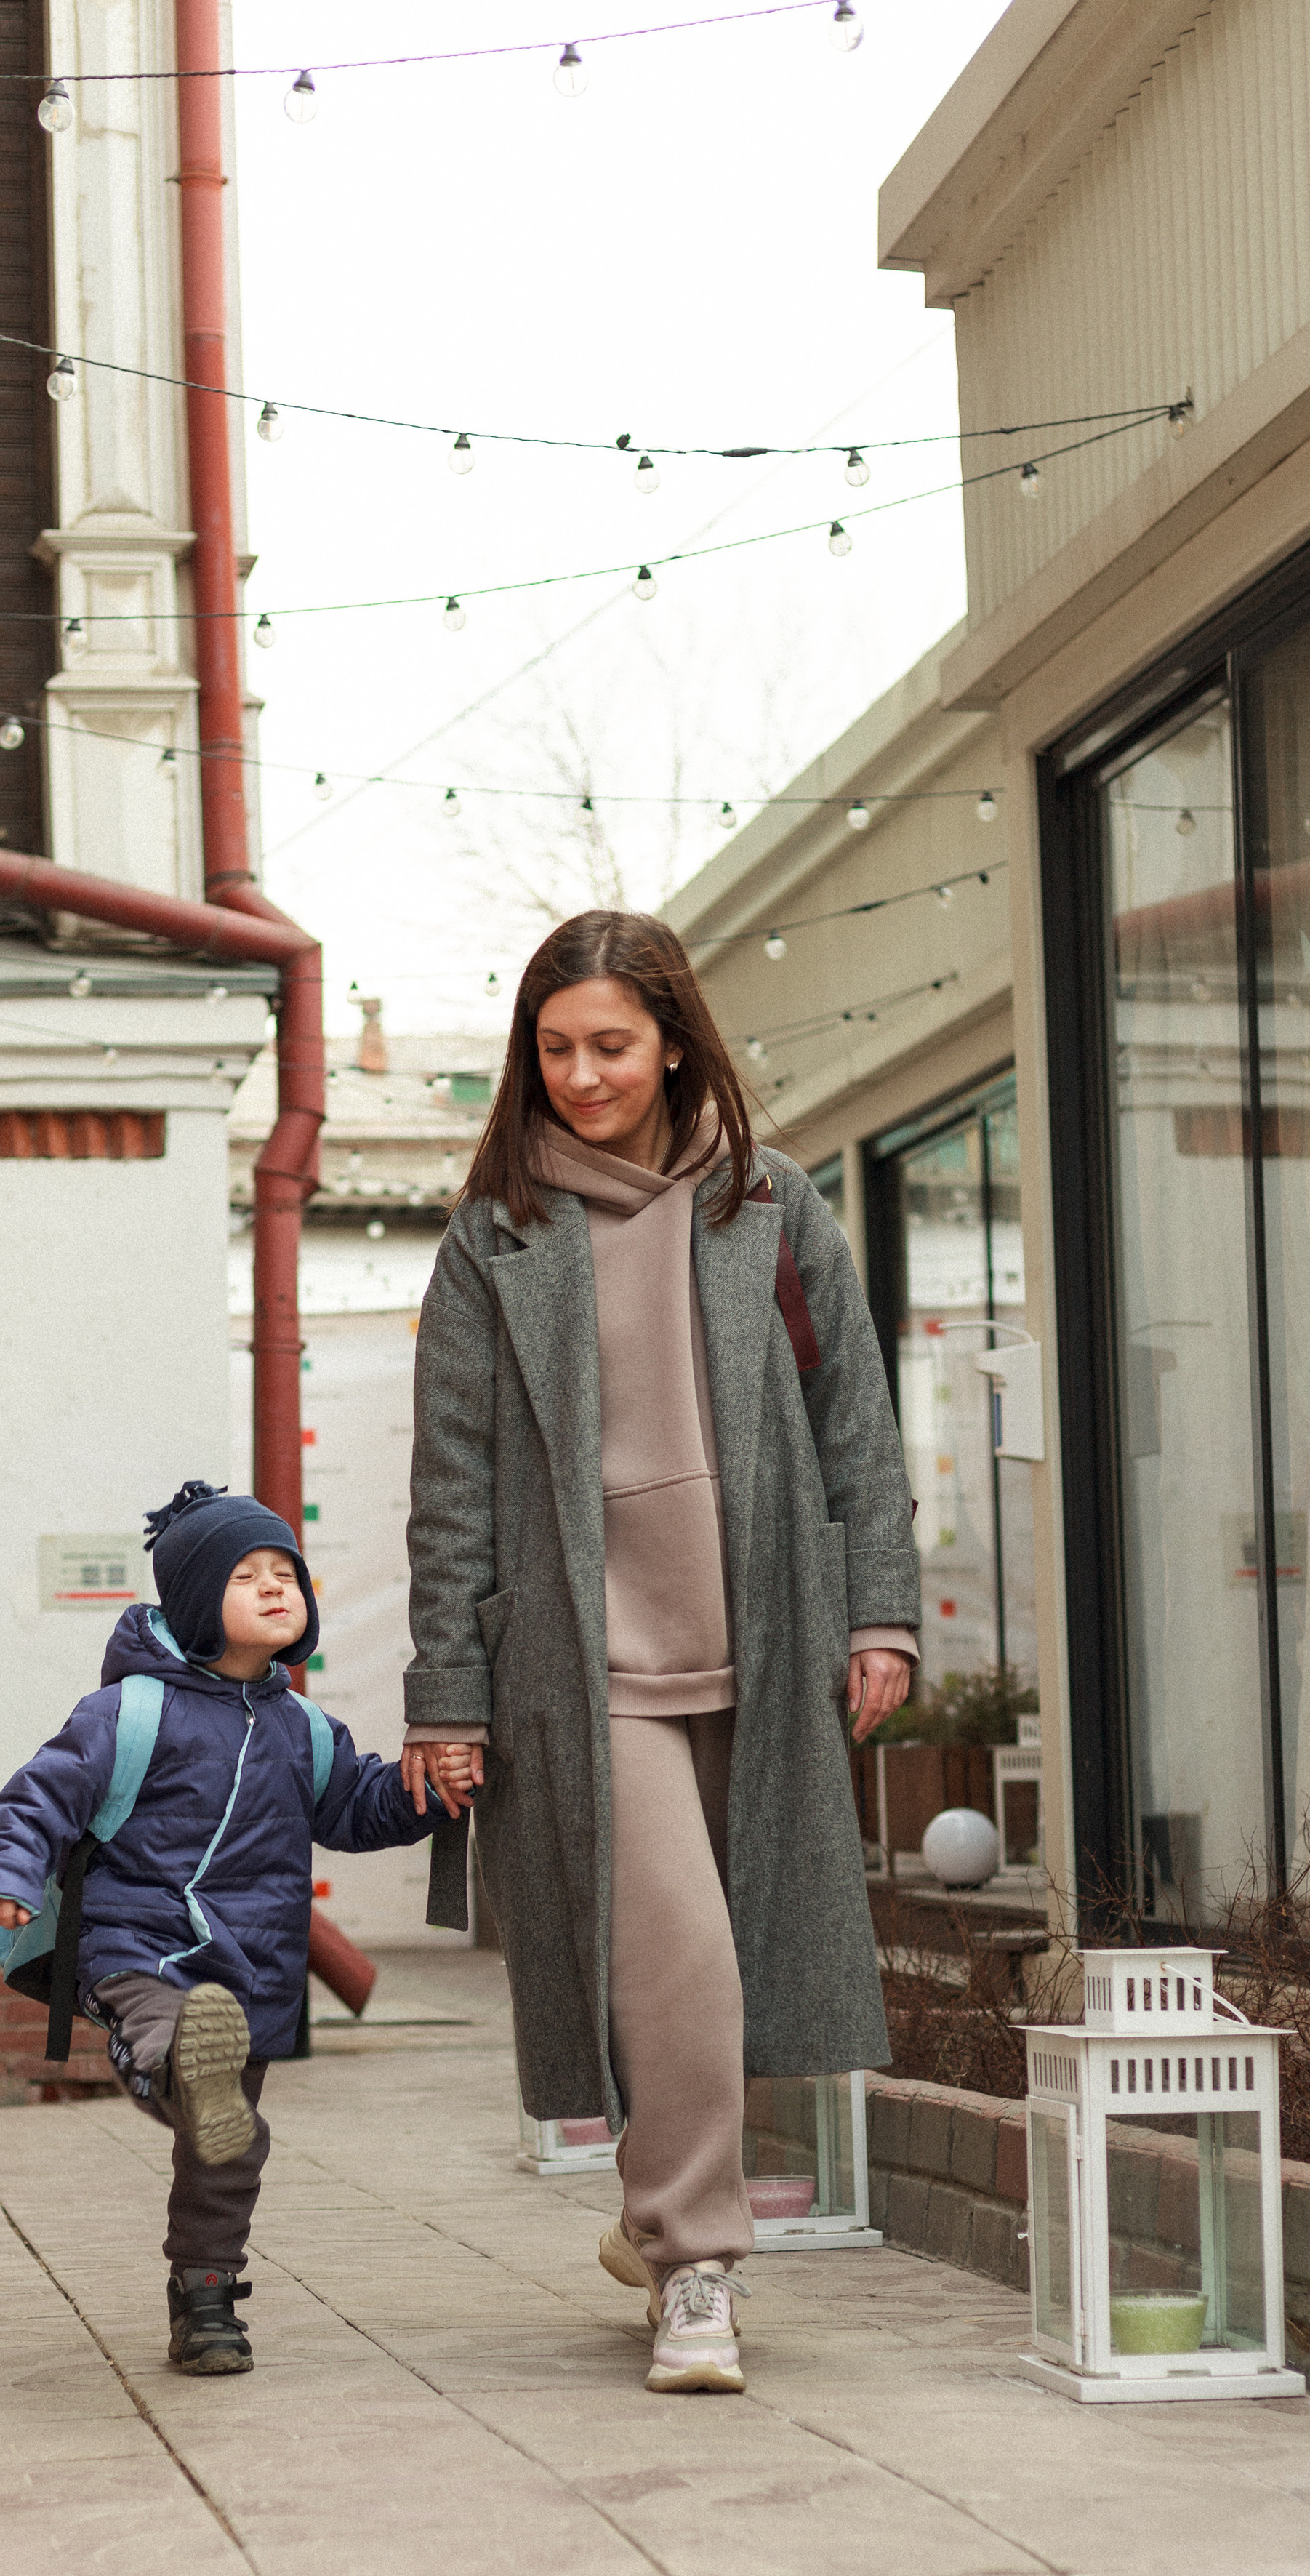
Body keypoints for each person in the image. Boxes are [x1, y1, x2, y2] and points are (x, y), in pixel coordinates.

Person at [402, 912, 917, 2396]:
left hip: (758, 1640)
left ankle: (656, 2199)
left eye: (609, 1045)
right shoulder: (492, 1240)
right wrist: (447, 1694)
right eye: (553, 1048)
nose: (579, 1074)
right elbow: (451, 1486)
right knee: (677, 1956)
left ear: (675, 1041)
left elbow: (853, 1427)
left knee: (726, 1965)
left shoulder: (769, 1207)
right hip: (582, 1663)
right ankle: (697, 2266)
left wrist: (875, 1608)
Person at [0, 1481, 471, 2375]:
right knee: (169, 2035)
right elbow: (37, 1799)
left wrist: (429, 1791)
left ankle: (206, 2302)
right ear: (198, 1602)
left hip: (251, 1966)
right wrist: (4, 1881)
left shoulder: (303, 1728)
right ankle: (172, 2064)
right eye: (247, 1576)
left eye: (288, 1574)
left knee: (226, 2145)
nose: (276, 1588)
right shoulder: (129, 1714)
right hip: (136, 1944)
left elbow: (357, 1809)